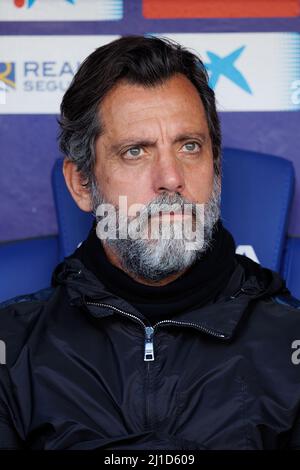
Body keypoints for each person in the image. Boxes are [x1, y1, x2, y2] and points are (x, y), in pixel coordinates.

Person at [0, 35, 300, 450]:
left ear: (214, 167)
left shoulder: (291, 345)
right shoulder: (12, 349)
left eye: (190, 146)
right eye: (136, 152)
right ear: (82, 184)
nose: (171, 178)